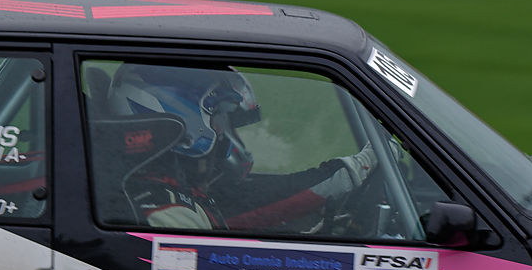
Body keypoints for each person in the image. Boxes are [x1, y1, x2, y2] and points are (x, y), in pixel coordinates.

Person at [99, 63, 376, 233]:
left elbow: (251, 197)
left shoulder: (171, 187)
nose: (225, 133)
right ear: (185, 119)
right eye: (221, 119)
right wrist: (354, 169)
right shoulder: (167, 211)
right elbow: (250, 208)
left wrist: (349, 171)